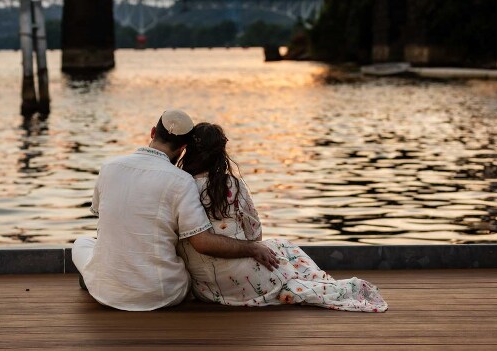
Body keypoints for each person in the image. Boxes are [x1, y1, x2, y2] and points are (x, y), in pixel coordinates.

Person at [72, 110, 279, 311]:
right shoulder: (181, 181)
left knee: (82, 243)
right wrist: (252, 248)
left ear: (153, 132)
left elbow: (105, 220)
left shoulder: (109, 167)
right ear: (183, 148)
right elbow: (203, 242)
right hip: (163, 294)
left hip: (105, 291)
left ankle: (94, 274)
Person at [177, 122, 388, 312]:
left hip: (205, 289)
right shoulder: (232, 185)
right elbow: (255, 234)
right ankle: (319, 281)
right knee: (281, 249)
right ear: (220, 154)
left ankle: (306, 278)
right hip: (244, 283)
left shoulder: (179, 186)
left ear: (189, 151)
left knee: (279, 247)